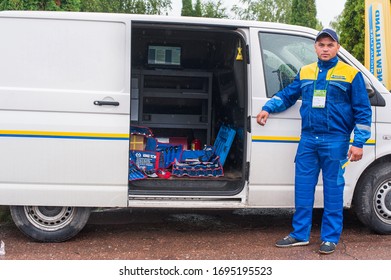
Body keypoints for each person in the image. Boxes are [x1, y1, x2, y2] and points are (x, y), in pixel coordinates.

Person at [256, 28, 372, 254]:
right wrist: (267, 108)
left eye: (330, 45)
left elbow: (363, 111)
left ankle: (330, 238)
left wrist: (358, 142)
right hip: (308, 140)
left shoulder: (351, 74)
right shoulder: (306, 71)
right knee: (303, 189)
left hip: (335, 141)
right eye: (321, 45)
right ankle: (300, 234)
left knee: (333, 191)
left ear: (337, 47)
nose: (325, 49)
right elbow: (288, 94)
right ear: (315, 47)